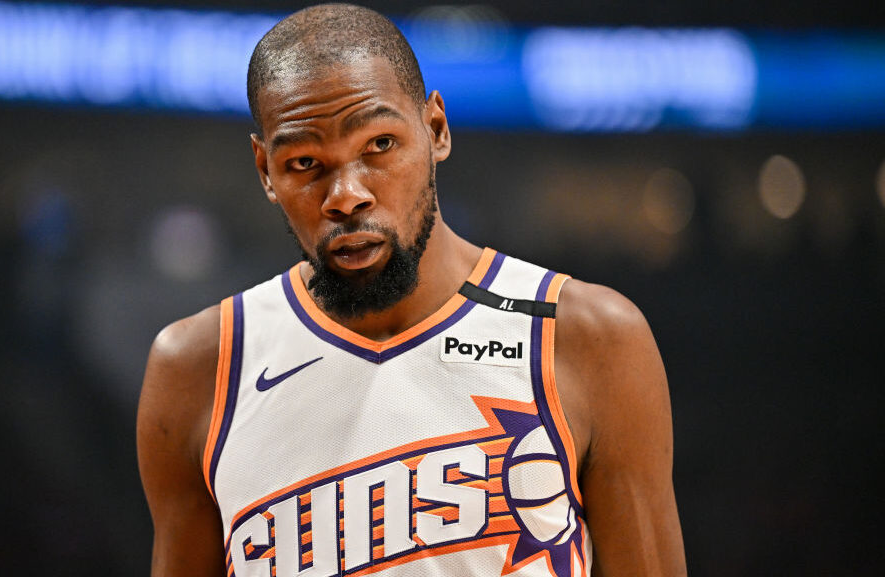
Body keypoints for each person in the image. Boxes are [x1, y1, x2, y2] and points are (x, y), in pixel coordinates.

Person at [137, 4, 686, 576]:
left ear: (436, 130)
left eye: (378, 146)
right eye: (305, 162)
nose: (346, 195)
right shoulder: (198, 371)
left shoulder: (587, 336)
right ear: (265, 171)